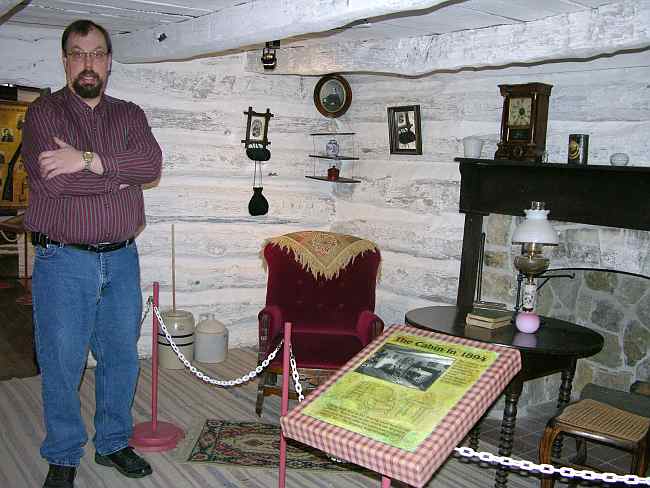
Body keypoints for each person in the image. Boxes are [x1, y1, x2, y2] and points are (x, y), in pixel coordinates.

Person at [22, 19, 162, 488]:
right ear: (64, 61)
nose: (88, 63)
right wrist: (120, 177)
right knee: (63, 360)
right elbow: (53, 182)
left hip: (123, 258)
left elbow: (151, 165)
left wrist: (87, 159)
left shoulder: (130, 114)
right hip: (64, 261)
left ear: (107, 61)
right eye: (78, 54)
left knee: (121, 356)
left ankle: (113, 444)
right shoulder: (43, 115)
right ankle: (62, 454)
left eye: (97, 53)